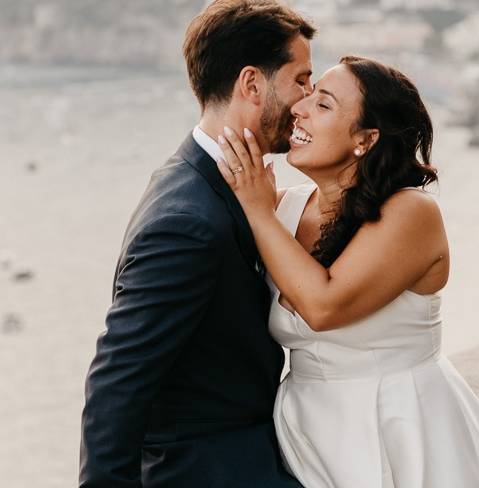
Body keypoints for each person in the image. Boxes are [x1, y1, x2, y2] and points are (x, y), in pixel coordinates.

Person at [215, 56, 479, 487]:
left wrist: (255, 210)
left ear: (365, 138)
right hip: (308, 435)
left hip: (403, 428)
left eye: (323, 105)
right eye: (307, 95)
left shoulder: (412, 213)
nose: (299, 108)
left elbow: (323, 307)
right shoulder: (281, 209)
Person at [79, 1, 315, 486]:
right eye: (301, 80)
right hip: (210, 470)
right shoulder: (186, 219)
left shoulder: (215, 180)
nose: (307, 100)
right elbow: (117, 383)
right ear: (252, 84)